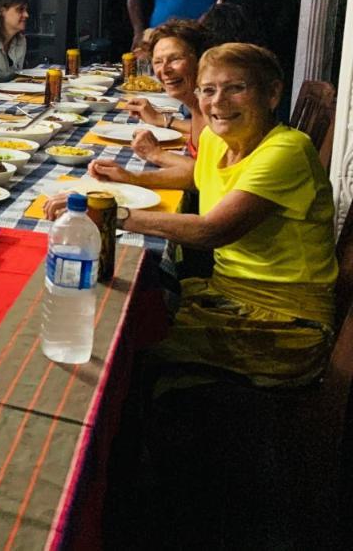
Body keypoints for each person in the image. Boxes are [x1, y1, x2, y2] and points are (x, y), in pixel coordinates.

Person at [46, 43, 337, 387]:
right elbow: (197, 175)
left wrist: (109, 212)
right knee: (125, 312)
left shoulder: (287, 149)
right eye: (208, 90)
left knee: (120, 343)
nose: (218, 102)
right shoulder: (219, 137)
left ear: (272, 94)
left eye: (236, 88)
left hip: (283, 324)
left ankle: (147, 430)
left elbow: (213, 230)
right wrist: (132, 177)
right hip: (225, 291)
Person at [124, 18, 211, 176]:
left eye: (175, 59)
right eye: (157, 62)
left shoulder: (216, 110)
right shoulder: (198, 108)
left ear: (200, 59)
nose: (164, 69)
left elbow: (208, 175)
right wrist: (161, 119)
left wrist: (156, 154)